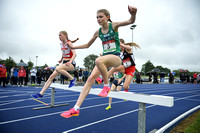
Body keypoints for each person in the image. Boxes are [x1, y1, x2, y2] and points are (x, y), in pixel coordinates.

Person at [60, 6, 137, 118]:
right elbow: (87, 45)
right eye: (97, 18)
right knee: (90, 79)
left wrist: (133, 14)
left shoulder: (114, 26)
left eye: (101, 17)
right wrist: (73, 46)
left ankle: (106, 86)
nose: (98, 19)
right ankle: (76, 108)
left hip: (115, 58)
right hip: (104, 59)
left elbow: (131, 21)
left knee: (98, 60)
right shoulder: (98, 32)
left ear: (107, 17)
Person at [31, 31, 77, 98]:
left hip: (71, 63)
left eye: (60, 35)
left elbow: (75, 54)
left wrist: (70, 61)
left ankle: (72, 79)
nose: (59, 37)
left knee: (57, 68)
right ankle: (41, 93)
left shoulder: (69, 43)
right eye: (58, 36)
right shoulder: (61, 44)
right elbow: (63, 52)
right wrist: (61, 59)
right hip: (64, 62)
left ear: (66, 35)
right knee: (51, 77)